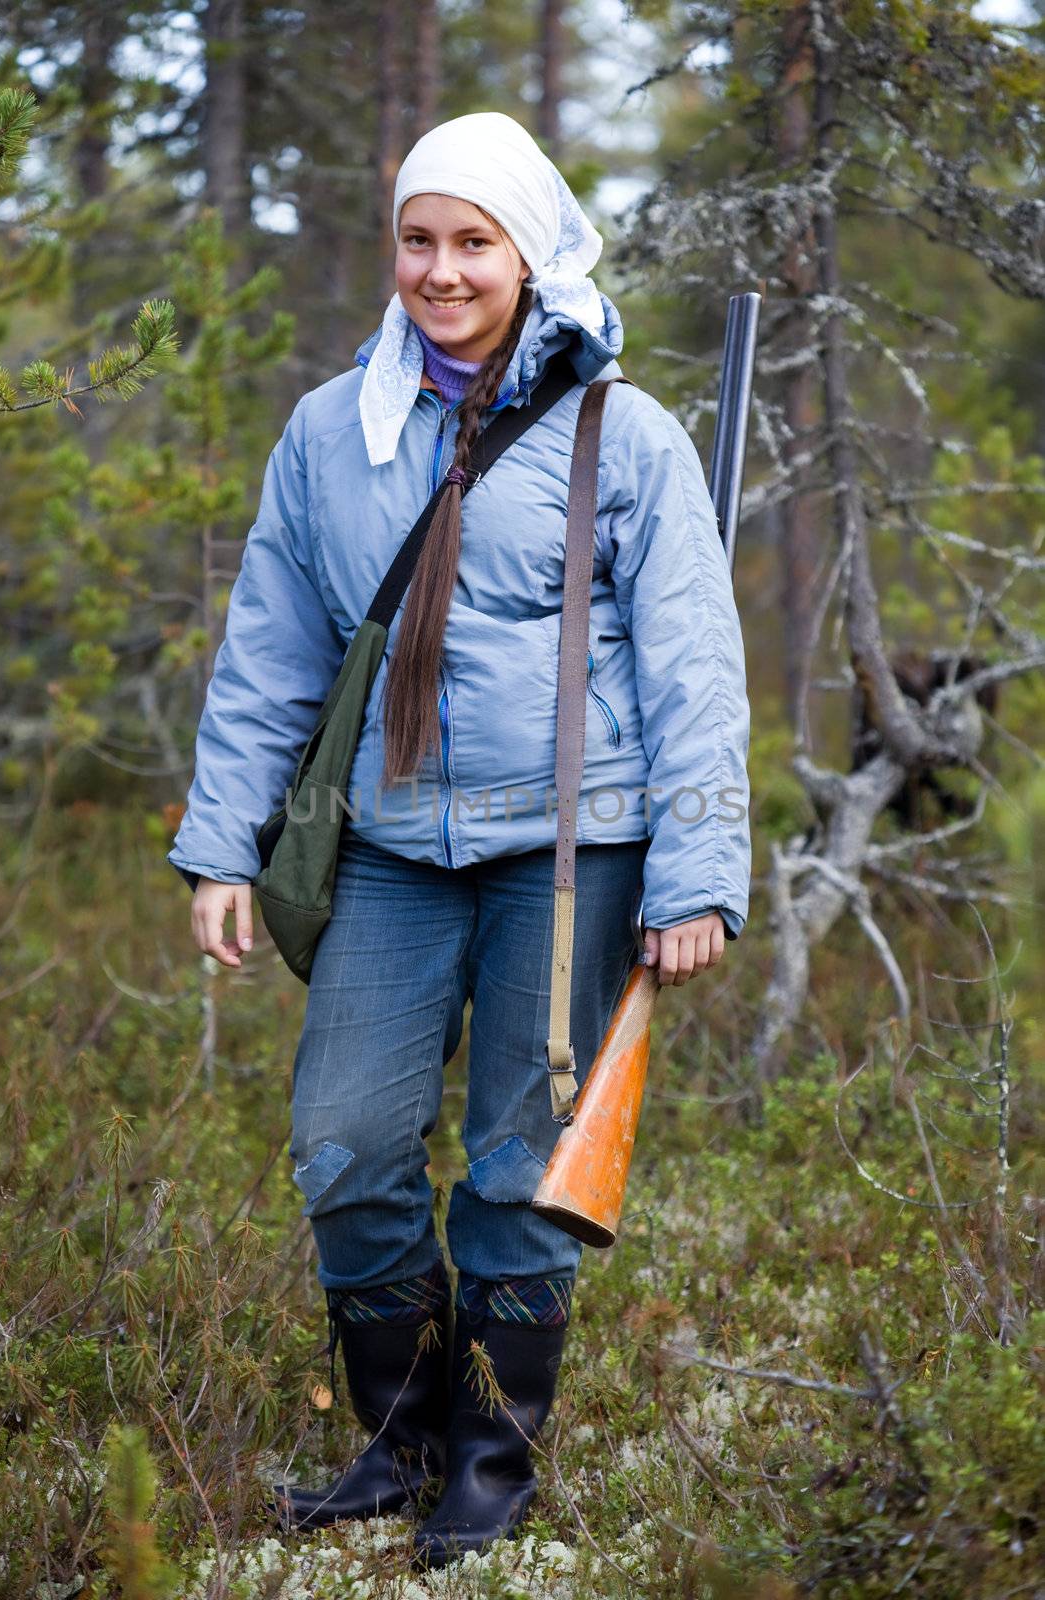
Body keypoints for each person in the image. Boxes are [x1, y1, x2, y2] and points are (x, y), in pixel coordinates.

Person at [168, 110, 751, 1568]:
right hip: (385, 848)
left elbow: (694, 665)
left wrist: (698, 872)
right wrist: (222, 843)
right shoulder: (332, 427)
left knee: (518, 1162)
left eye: (472, 242)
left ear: (530, 248)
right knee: (346, 1144)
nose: (440, 270)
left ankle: (490, 1458)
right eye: (418, 239)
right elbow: (272, 650)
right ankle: (400, 1435)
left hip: (575, 844)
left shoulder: (627, 431)